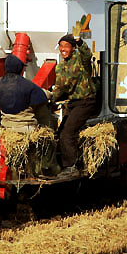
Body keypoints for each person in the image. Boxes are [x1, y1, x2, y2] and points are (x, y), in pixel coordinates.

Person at [0, 54, 59, 175]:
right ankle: (50, 167)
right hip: (27, 128)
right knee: (48, 134)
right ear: (20, 69)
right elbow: (42, 97)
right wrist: (51, 95)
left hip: (8, 129)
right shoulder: (28, 85)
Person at [52, 33, 99, 179]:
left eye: (66, 46)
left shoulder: (80, 59)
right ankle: (62, 164)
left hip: (86, 102)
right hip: (73, 103)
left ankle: (71, 167)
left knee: (67, 134)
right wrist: (50, 98)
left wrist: (80, 42)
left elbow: (87, 53)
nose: (63, 49)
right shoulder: (60, 67)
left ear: (73, 48)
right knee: (60, 133)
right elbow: (60, 87)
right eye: (61, 46)